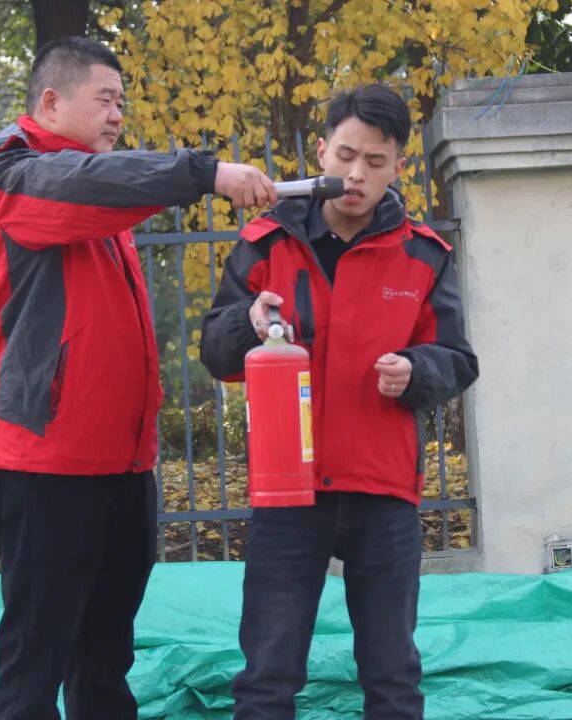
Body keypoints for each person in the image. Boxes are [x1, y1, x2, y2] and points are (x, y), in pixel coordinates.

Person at [0, 36, 276, 720]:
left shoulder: (89, 190)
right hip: (45, 464)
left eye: (122, 101)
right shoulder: (12, 180)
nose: (119, 115)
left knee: (104, 659)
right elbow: (96, 183)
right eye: (105, 100)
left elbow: (104, 186)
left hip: (122, 467)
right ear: (51, 103)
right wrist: (206, 173)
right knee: (36, 662)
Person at [199, 83, 479, 719]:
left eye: (375, 161)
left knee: (392, 675)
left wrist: (416, 370)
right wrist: (248, 321)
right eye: (346, 156)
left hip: (382, 488)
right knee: (266, 675)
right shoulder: (266, 244)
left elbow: (459, 359)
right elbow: (215, 352)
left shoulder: (422, 255)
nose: (356, 175)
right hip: (287, 491)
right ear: (322, 151)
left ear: (397, 167)